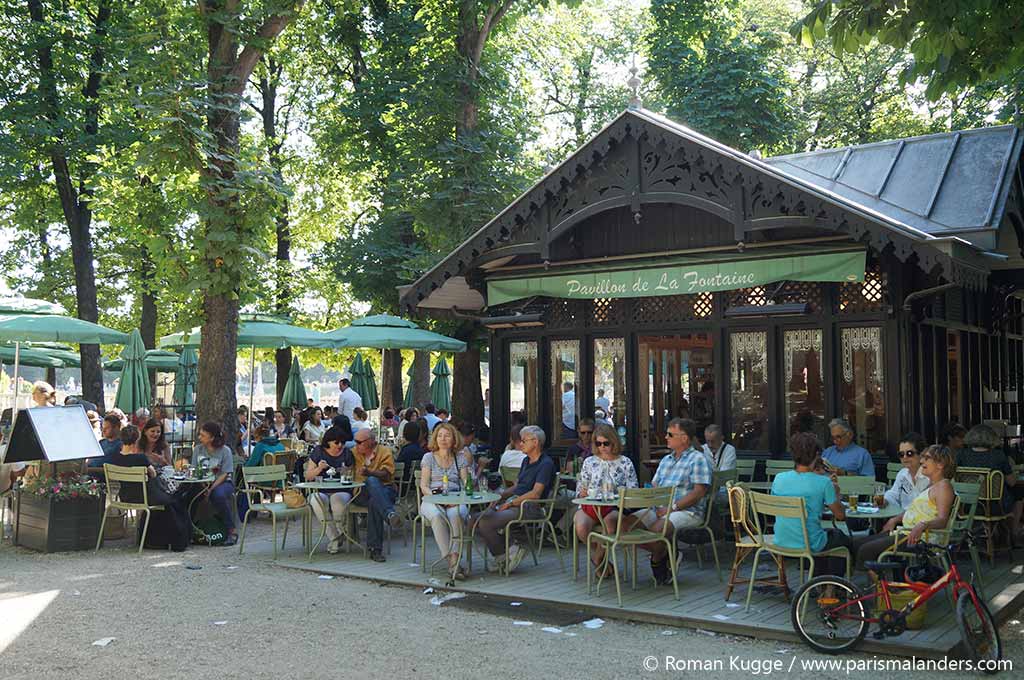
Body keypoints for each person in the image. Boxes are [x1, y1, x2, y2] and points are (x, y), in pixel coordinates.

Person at [622, 418, 710, 584]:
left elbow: (699, 492)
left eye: (670, 434)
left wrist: (672, 508)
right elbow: (654, 487)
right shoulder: (666, 460)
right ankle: (668, 552)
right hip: (658, 508)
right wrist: (644, 497)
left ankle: (657, 558)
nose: (665, 437)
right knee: (625, 526)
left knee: (657, 531)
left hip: (687, 511)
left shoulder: (698, 459)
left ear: (684, 438)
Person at [852, 445, 957, 572]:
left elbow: (942, 519)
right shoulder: (933, 485)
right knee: (857, 544)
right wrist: (895, 519)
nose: (922, 461)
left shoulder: (944, 487)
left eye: (927, 458)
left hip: (922, 538)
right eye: (922, 457)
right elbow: (918, 510)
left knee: (866, 549)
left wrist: (922, 525)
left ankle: (880, 589)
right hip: (908, 532)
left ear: (940, 464)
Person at [474, 425, 555, 573]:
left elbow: (535, 493)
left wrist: (510, 503)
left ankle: (508, 552)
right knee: (473, 520)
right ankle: (506, 553)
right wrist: (499, 496)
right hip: (516, 502)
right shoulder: (526, 461)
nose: (520, 444)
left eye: (524, 441)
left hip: (531, 506)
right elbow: (517, 486)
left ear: (535, 442)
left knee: (485, 521)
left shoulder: (546, 463)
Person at [771, 432, 851, 576]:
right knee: (840, 538)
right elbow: (840, 516)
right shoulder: (823, 482)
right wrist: (837, 493)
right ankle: (830, 588)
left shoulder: (779, 479)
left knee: (823, 536)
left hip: (781, 540)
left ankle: (817, 583)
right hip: (810, 543)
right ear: (816, 455)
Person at [110, 425, 190, 550]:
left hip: (125, 496)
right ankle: (179, 539)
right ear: (137, 440)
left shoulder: (115, 457)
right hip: (144, 497)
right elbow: (152, 474)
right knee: (174, 500)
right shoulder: (140, 458)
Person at [575, 423, 638, 577]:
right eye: (598, 443)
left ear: (614, 442)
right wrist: (582, 492)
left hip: (615, 506)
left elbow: (633, 489)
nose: (602, 447)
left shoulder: (625, 462)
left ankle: (597, 559)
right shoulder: (589, 462)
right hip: (592, 505)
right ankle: (602, 560)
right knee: (581, 527)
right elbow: (580, 487)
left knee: (609, 525)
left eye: (606, 443)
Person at [419, 422, 473, 577]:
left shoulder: (460, 458)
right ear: (435, 439)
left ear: (454, 439)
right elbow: (424, 486)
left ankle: (455, 559)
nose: (443, 439)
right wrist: (437, 500)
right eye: (440, 435)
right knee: (437, 516)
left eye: (447, 435)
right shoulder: (428, 457)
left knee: (456, 515)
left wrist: (459, 496)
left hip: (455, 497)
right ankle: (451, 561)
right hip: (432, 498)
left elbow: (465, 485)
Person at [957, 424, 1023, 539]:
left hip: (966, 505)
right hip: (996, 506)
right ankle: (1014, 530)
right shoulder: (998, 455)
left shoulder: (962, 455)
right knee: (1019, 494)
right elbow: (1011, 482)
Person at [345, 429, 401, 562]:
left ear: (370, 441)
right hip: (360, 492)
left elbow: (387, 474)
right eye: (355, 442)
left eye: (359, 442)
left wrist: (369, 472)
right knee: (371, 484)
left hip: (385, 489)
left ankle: (375, 550)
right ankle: (389, 514)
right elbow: (343, 463)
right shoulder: (353, 452)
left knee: (374, 500)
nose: (356, 445)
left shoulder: (384, 451)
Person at [306, 427, 355, 554]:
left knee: (337, 503)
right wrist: (319, 468)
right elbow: (308, 476)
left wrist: (347, 472)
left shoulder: (347, 453)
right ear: (328, 441)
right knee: (316, 500)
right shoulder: (318, 451)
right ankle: (335, 537)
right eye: (337, 442)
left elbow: (352, 475)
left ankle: (341, 533)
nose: (340, 445)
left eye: (343, 443)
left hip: (341, 489)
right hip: (321, 489)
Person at [193, 421, 238, 546]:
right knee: (187, 494)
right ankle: (190, 528)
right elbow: (195, 470)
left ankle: (231, 530)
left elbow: (225, 473)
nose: (199, 438)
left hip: (222, 482)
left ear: (212, 437)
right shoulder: (198, 449)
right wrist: (203, 487)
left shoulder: (225, 451)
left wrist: (211, 488)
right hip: (202, 482)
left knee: (218, 495)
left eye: (202, 435)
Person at [885, 433, 931, 510]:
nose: (905, 457)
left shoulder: (929, 475)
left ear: (921, 454)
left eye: (909, 453)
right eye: (901, 454)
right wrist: (884, 501)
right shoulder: (902, 474)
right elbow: (893, 494)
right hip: (905, 518)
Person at [396, 421, 427, 486]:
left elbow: (396, 468)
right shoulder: (421, 451)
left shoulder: (406, 450)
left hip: (401, 484)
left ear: (404, 433)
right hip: (414, 484)